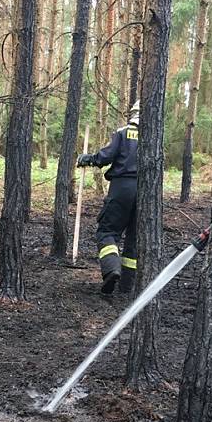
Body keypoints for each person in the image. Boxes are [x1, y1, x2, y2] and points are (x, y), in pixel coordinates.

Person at [77, 101, 139, 295]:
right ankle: (127, 286)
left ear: (133, 114)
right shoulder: (154, 137)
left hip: (121, 188)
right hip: (145, 192)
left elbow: (107, 156)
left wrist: (89, 158)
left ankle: (112, 270)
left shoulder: (123, 133)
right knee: (133, 239)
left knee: (107, 232)